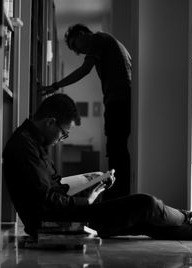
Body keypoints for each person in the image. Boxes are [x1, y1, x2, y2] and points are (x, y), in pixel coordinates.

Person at [3, 93, 192, 241]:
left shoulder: (32, 142)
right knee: (145, 204)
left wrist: (88, 182)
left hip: (63, 213)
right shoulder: (24, 148)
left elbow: (53, 186)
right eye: (63, 134)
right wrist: (85, 202)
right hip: (55, 223)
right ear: (50, 122)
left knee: (143, 221)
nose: (60, 139)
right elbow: (45, 202)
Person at [41, 24, 132, 199]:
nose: (79, 52)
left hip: (117, 101)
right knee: (118, 148)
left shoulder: (98, 39)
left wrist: (56, 86)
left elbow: (84, 70)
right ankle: (119, 194)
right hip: (121, 99)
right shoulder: (108, 41)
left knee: (115, 149)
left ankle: (116, 196)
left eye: (76, 46)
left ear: (82, 34)